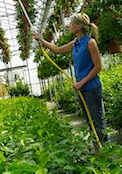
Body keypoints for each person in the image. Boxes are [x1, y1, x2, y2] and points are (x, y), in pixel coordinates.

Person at [33, 12, 108, 146]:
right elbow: (56, 50)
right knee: (90, 121)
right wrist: (41, 40)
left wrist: (81, 83)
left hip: (91, 88)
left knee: (97, 120)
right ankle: (97, 150)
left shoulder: (90, 43)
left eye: (72, 23)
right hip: (82, 89)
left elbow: (98, 67)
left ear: (79, 26)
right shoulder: (75, 43)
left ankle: (106, 152)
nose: (68, 26)